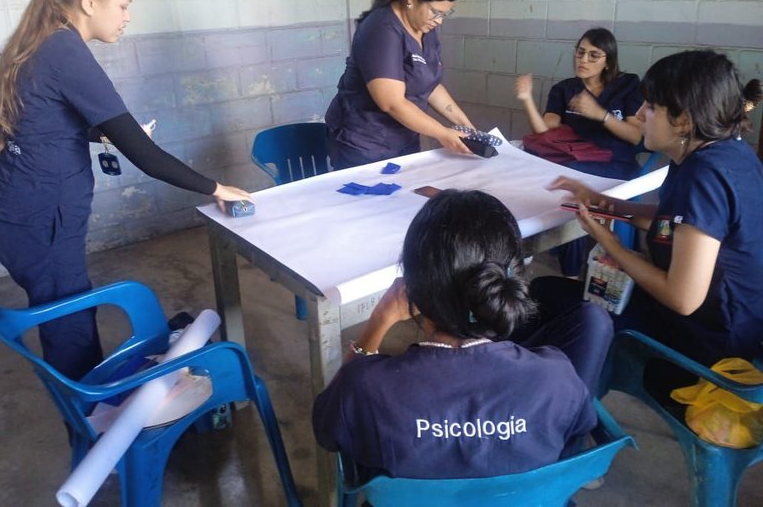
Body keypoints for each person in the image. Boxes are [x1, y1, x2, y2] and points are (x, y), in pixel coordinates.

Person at [0, 0, 252, 381]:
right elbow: (145, 157)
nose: (127, 16)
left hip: (21, 212)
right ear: (90, 0)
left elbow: (43, 121)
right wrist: (216, 188)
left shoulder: (41, 39)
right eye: (123, 5)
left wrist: (104, 132)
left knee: (60, 309)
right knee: (68, 322)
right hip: (43, 218)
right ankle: (92, 418)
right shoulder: (65, 50)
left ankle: (88, 400)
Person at [312, 190, 613, 479]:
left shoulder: (366, 387)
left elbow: (328, 432)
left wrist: (377, 322)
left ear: (411, 290)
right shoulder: (557, 378)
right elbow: (573, 435)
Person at [533, 50, 763, 395]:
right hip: (736, 323)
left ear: (684, 120)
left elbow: (682, 297)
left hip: (706, 349)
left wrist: (607, 242)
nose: (640, 114)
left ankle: (569, 409)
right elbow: (680, 226)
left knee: (547, 300)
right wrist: (606, 203)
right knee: (556, 294)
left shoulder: (704, 176)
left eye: (651, 107)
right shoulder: (724, 153)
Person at [515, 27, 644, 277]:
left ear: (608, 62)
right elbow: (545, 131)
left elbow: (637, 136)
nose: (583, 60)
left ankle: (570, 273)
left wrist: (600, 115)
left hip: (615, 163)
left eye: (594, 55)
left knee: (572, 195)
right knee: (560, 187)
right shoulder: (564, 89)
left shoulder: (627, 86)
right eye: (580, 52)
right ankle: (542, 251)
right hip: (573, 161)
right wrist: (526, 99)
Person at [325, 0, 476, 170]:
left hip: (403, 139)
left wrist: (466, 125)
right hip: (365, 144)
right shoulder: (381, 29)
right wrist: (443, 133)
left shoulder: (425, 28)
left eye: (445, 14)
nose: (439, 20)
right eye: (435, 12)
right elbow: (392, 102)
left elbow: (429, 85)